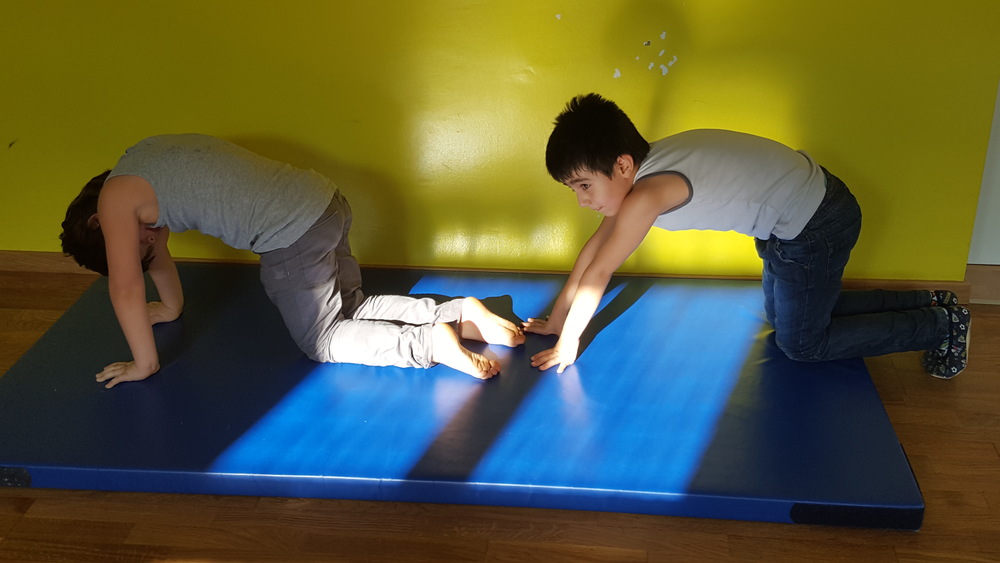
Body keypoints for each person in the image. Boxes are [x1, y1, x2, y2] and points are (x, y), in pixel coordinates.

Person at [523, 93, 970, 379]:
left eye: (584, 185)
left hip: (814, 225)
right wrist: (559, 318)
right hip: (801, 215)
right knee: (788, 315)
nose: (582, 200)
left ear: (622, 165)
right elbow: (593, 251)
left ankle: (941, 326)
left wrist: (569, 341)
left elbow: (601, 271)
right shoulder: (646, 166)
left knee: (802, 344)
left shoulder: (647, 194)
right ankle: (930, 300)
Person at [60, 134, 524, 388]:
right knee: (350, 305)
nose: (152, 241)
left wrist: (144, 364)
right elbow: (155, 255)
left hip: (292, 234)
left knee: (323, 340)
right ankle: (459, 314)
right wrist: (171, 307)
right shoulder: (138, 164)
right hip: (325, 202)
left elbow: (126, 288)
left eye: (138, 244)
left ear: (100, 222)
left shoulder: (115, 203)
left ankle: (429, 344)